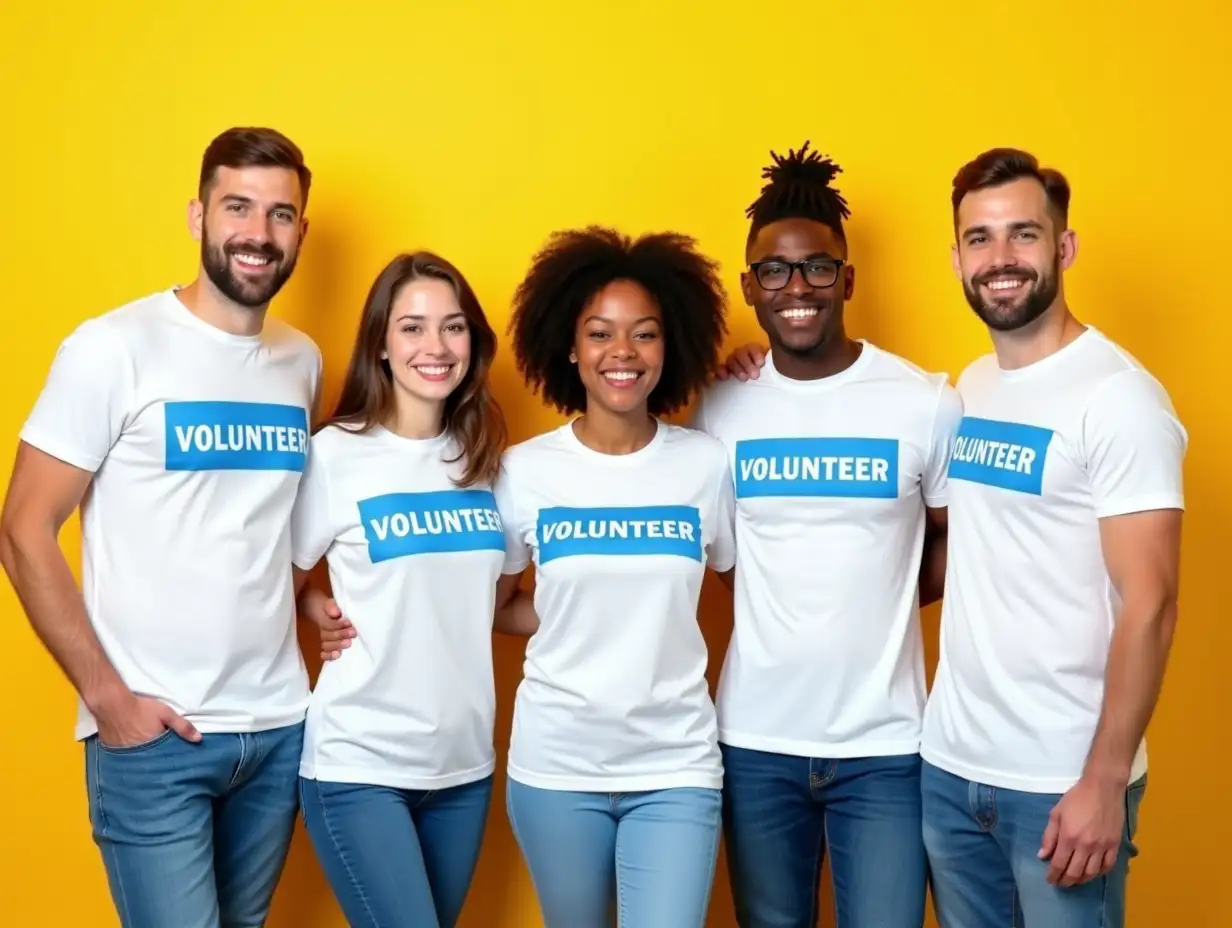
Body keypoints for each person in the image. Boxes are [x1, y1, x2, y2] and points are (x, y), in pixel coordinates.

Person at [0, 127, 320, 928]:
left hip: (278, 728)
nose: (258, 232)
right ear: (197, 215)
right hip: (156, 737)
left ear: (301, 234)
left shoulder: (301, 360)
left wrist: (312, 602)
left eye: (281, 214)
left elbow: (272, 530)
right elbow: (22, 528)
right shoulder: (113, 348)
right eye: (237, 207)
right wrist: (108, 700)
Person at [691, 141, 961, 928]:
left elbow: (958, 537)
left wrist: (886, 597)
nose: (796, 287)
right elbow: (718, 551)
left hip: (886, 747)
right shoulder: (719, 406)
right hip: (755, 740)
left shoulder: (923, 403)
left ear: (848, 278)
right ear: (750, 287)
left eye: (816, 268)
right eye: (774, 271)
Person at [916, 148, 1186, 928]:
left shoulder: (1120, 398)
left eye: (1023, 235)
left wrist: (1104, 780)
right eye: (979, 239)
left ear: (1063, 248)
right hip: (952, 766)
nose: (1000, 259)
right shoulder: (973, 386)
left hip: (1063, 781)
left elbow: (1153, 602)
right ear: (958, 257)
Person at [492, 225, 737, 927]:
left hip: (676, 765)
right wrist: (581, 615)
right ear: (570, 348)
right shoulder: (525, 471)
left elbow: (747, 584)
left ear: (672, 345)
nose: (622, 353)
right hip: (556, 768)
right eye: (600, 334)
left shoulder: (705, 465)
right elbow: (496, 604)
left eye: (645, 334)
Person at [289, 251, 510, 928]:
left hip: (464, 768)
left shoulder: (487, 461)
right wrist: (313, 604)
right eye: (412, 328)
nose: (435, 347)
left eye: (453, 327)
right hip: (360, 761)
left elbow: (496, 604)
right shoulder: (334, 455)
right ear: (381, 345)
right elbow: (280, 579)